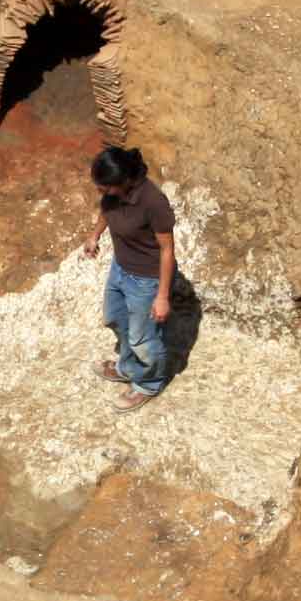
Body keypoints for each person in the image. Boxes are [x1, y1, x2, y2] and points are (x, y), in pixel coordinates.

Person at [82, 145, 175, 412]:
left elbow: (167, 249)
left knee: (142, 338)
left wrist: (162, 296)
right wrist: (95, 235)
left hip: (147, 279)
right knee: (115, 319)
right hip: (120, 269)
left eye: (105, 188)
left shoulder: (153, 202)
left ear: (124, 181)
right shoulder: (113, 192)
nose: (101, 192)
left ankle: (149, 383)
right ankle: (129, 367)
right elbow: (106, 210)